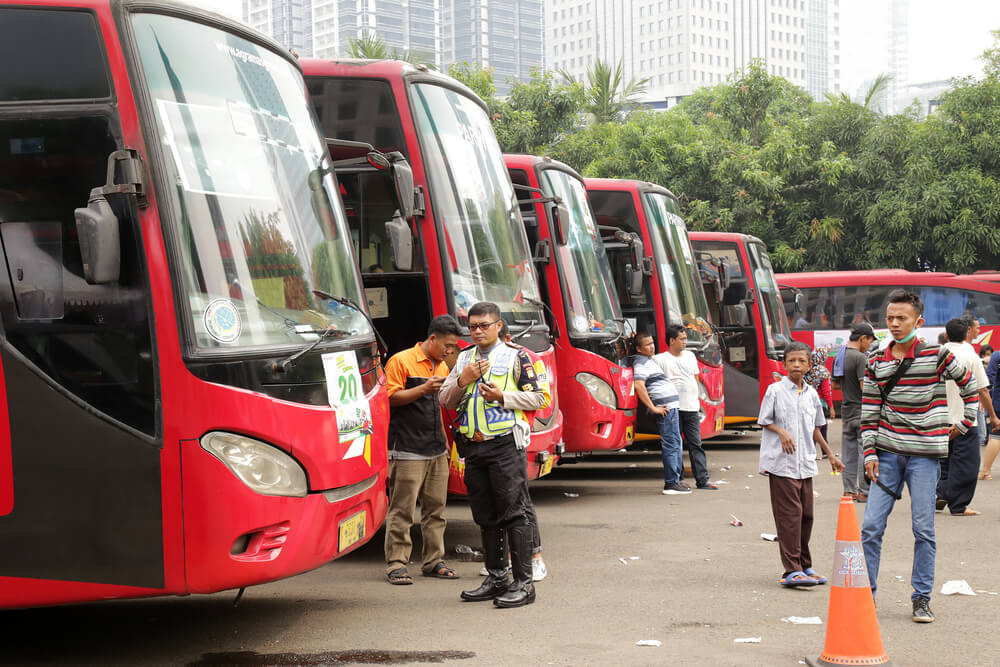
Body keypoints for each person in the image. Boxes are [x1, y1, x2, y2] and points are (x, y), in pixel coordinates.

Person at [860, 289, 979, 624]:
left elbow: (970, 387)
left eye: (902, 318)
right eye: (890, 318)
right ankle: (865, 595)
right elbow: (869, 414)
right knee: (870, 527)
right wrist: (869, 453)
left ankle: (921, 598)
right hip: (887, 454)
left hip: (925, 456)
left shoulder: (937, 356)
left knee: (923, 529)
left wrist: (965, 423)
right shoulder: (876, 361)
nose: (895, 324)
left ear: (918, 321)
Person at [439, 302, 550, 608]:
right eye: (472, 326)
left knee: (514, 513)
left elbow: (540, 397)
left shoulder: (518, 356)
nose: (477, 331)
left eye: (484, 325)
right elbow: (446, 400)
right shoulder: (464, 359)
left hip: (504, 444)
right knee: (485, 515)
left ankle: (524, 583)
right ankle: (497, 576)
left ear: (498, 326)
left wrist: (504, 396)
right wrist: (464, 379)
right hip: (474, 447)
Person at [383, 315, 462, 585]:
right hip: (406, 449)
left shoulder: (441, 366)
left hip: (436, 449)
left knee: (436, 510)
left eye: (453, 347)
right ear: (432, 339)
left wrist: (445, 443)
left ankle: (433, 561)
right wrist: (423, 389)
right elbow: (390, 399)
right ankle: (396, 564)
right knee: (402, 510)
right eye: (447, 345)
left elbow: (437, 409)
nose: (450, 351)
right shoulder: (401, 360)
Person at [758, 341, 844, 588]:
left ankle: (805, 565)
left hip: (805, 462)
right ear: (784, 364)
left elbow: (816, 428)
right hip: (781, 463)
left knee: (806, 516)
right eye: (791, 360)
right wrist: (781, 432)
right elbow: (764, 420)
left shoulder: (812, 394)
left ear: (809, 365)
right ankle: (791, 570)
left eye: (801, 361)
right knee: (789, 517)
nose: (796, 365)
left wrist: (830, 454)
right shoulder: (775, 391)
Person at [497, 321, 548, 581]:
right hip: (491, 439)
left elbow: (543, 397)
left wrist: (503, 397)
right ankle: (506, 559)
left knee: (521, 500)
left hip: (516, 435)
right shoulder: (479, 358)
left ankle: (535, 556)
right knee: (503, 502)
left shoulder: (527, 358)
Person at [935, 318, 989, 516]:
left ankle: (940, 494)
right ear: (967, 332)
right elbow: (982, 389)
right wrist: (992, 415)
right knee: (966, 464)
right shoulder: (970, 355)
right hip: (965, 419)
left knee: (943, 461)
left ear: (946, 335)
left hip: (939, 418)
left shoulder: (936, 354)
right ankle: (958, 505)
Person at [656, 324, 717, 490]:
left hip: (691, 408)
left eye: (685, 338)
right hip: (673, 409)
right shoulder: (660, 359)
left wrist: (695, 398)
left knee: (696, 444)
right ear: (671, 340)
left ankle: (702, 480)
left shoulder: (690, 356)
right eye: (681, 339)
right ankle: (679, 479)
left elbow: (695, 378)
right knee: (676, 445)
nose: (685, 342)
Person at [629, 331, 687, 495]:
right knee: (671, 445)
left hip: (671, 407)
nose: (652, 347)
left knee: (676, 444)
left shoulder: (649, 360)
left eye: (652, 343)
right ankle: (671, 483)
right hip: (665, 408)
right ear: (639, 348)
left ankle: (676, 481)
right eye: (647, 345)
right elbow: (639, 385)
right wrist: (653, 408)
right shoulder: (640, 363)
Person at [832, 322, 876, 502]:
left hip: (846, 409)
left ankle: (849, 490)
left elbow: (834, 384)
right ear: (863, 338)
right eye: (869, 342)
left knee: (848, 452)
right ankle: (863, 491)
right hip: (861, 409)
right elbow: (864, 387)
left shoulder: (840, 355)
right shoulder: (860, 358)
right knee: (864, 451)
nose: (869, 346)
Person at [803, 346, 835, 443]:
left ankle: (811, 450)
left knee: (811, 425)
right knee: (821, 426)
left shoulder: (808, 369)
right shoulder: (822, 371)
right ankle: (825, 451)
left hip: (807, 401)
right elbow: (826, 392)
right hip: (820, 403)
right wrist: (831, 407)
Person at [982, 348, 1000, 479]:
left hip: (999, 400)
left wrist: (985, 400)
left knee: (996, 435)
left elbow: (988, 378)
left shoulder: (997, 355)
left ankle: (985, 471)